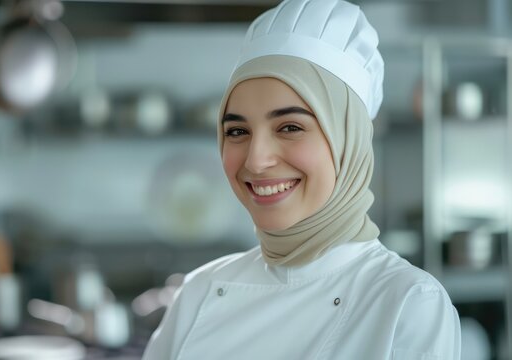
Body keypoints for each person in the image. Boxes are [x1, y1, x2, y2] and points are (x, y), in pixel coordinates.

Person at [142, 0, 461, 358]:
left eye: (290, 127)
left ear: (349, 141)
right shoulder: (198, 292)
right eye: (236, 131)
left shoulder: (407, 303)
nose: (256, 160)